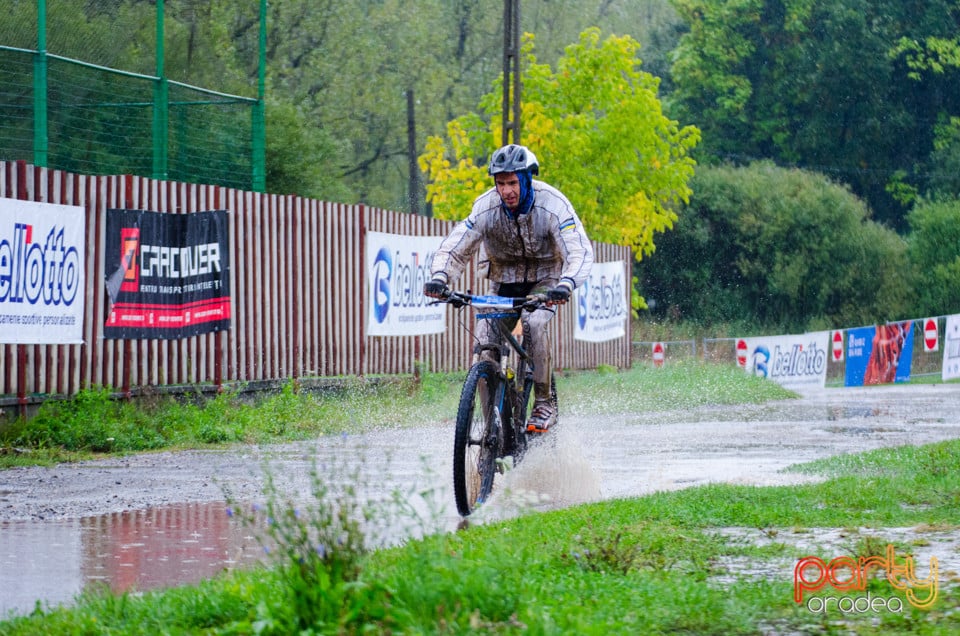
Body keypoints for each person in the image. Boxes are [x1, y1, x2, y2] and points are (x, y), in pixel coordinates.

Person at [424, 143, 593, 432]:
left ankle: (543, 403)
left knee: (535, 323)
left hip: (546, 281)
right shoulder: (486, 207)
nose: (507, 191)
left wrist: (566, 284)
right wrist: (440, 277)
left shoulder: (553, 205)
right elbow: (456, 245)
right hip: (502, 282)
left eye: (513, 182)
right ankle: (493, 428)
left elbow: (579, 250)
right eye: (501, 184)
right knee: (484, 344)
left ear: (527, 179)